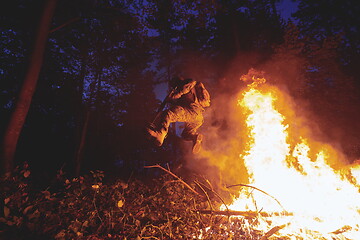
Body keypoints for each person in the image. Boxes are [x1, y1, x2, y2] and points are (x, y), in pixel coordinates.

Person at [146, 76, 211, 154]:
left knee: (168, 114)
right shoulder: (193, 90)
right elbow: (181, 104)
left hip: (193, 111)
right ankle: (195, 137)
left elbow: (182, 91)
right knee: (185, 134)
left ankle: (161, 134)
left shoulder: (189, 83)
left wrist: (173, 96)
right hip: (198, 118)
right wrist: (171, 100)